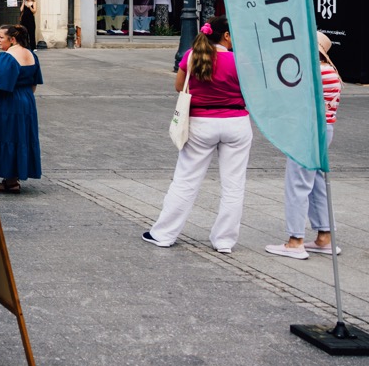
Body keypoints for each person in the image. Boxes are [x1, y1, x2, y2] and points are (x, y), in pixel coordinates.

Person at [143, 16, 250, 253]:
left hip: (201, 123)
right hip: (236, 123)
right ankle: (224, 241)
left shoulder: (192, 55)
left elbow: (180, 87)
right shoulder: (239, 60)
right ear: (226, 36)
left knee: (185, 180)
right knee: (234, 185)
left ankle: (164, 234)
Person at [267, 33, 342, 260]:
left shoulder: (313, 71)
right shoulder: (331, 72)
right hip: (325, 128)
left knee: (297, 184)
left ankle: (295, 240)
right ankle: (324, 236)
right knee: (317, 181)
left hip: (307, 130)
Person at [0, 23, 43, 194]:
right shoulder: (31, 55)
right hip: (27, 100)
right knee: (20, 137)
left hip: (8, 102)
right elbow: (34, 83)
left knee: (6, 136)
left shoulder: (7, 57)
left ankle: (10, 179)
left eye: (1, 37)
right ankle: (13, 179)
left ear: (12, 39)